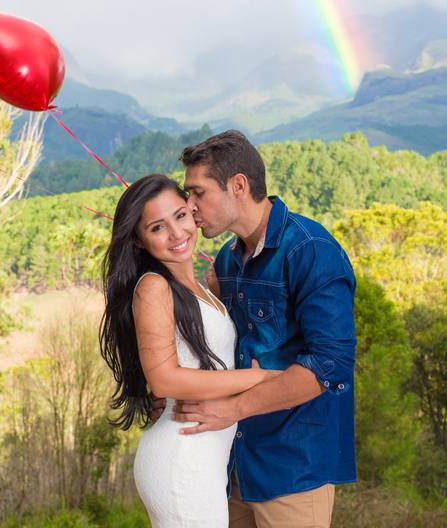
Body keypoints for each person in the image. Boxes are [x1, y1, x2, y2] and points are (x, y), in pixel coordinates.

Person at [174, 130, 357, 528]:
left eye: (197, 193)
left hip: (294, 466)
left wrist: (232, 409)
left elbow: (330, 365)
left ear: (238, 185)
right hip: (236, 462)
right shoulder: (226, 260)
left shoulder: (311, 250)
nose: (189, 207)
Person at [100, 174, 278, 527]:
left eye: (180, 216)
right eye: (157, 227)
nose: (177, 234)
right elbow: (164, 379)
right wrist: (258, 378)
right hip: (183, 460)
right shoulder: (153, 286)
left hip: (201, 458)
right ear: (139, 240)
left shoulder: (198, 286)